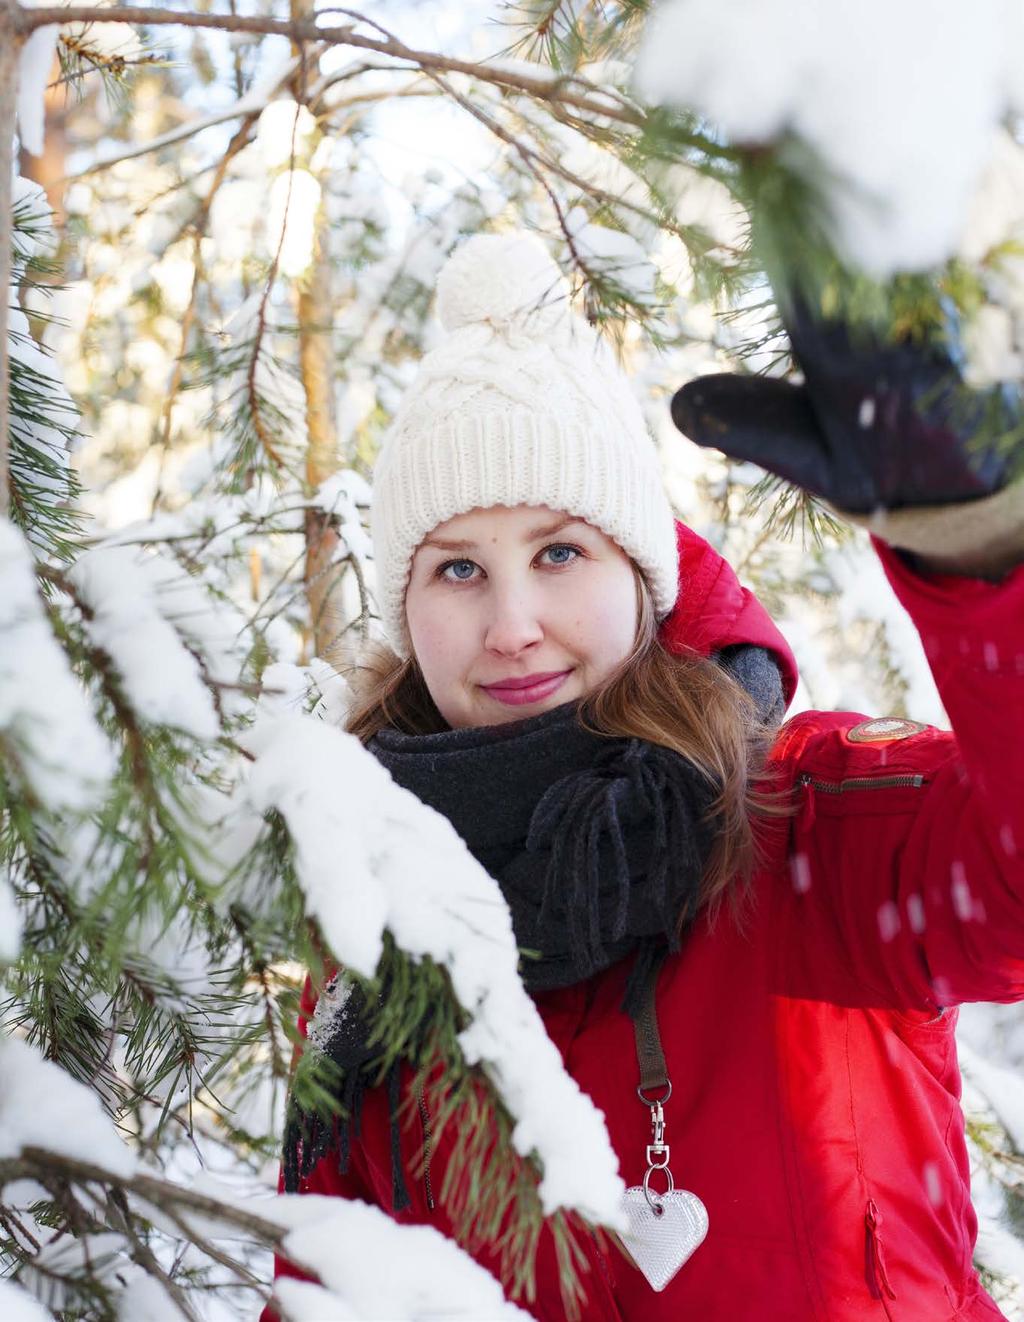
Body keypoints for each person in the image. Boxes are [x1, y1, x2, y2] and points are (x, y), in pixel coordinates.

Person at [263, 232, 1024, 1321]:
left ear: (641, 572)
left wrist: (984, 555)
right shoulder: (379, 914)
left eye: (560, 550)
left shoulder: (807, 824)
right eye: (459, 568)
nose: (513, 625)